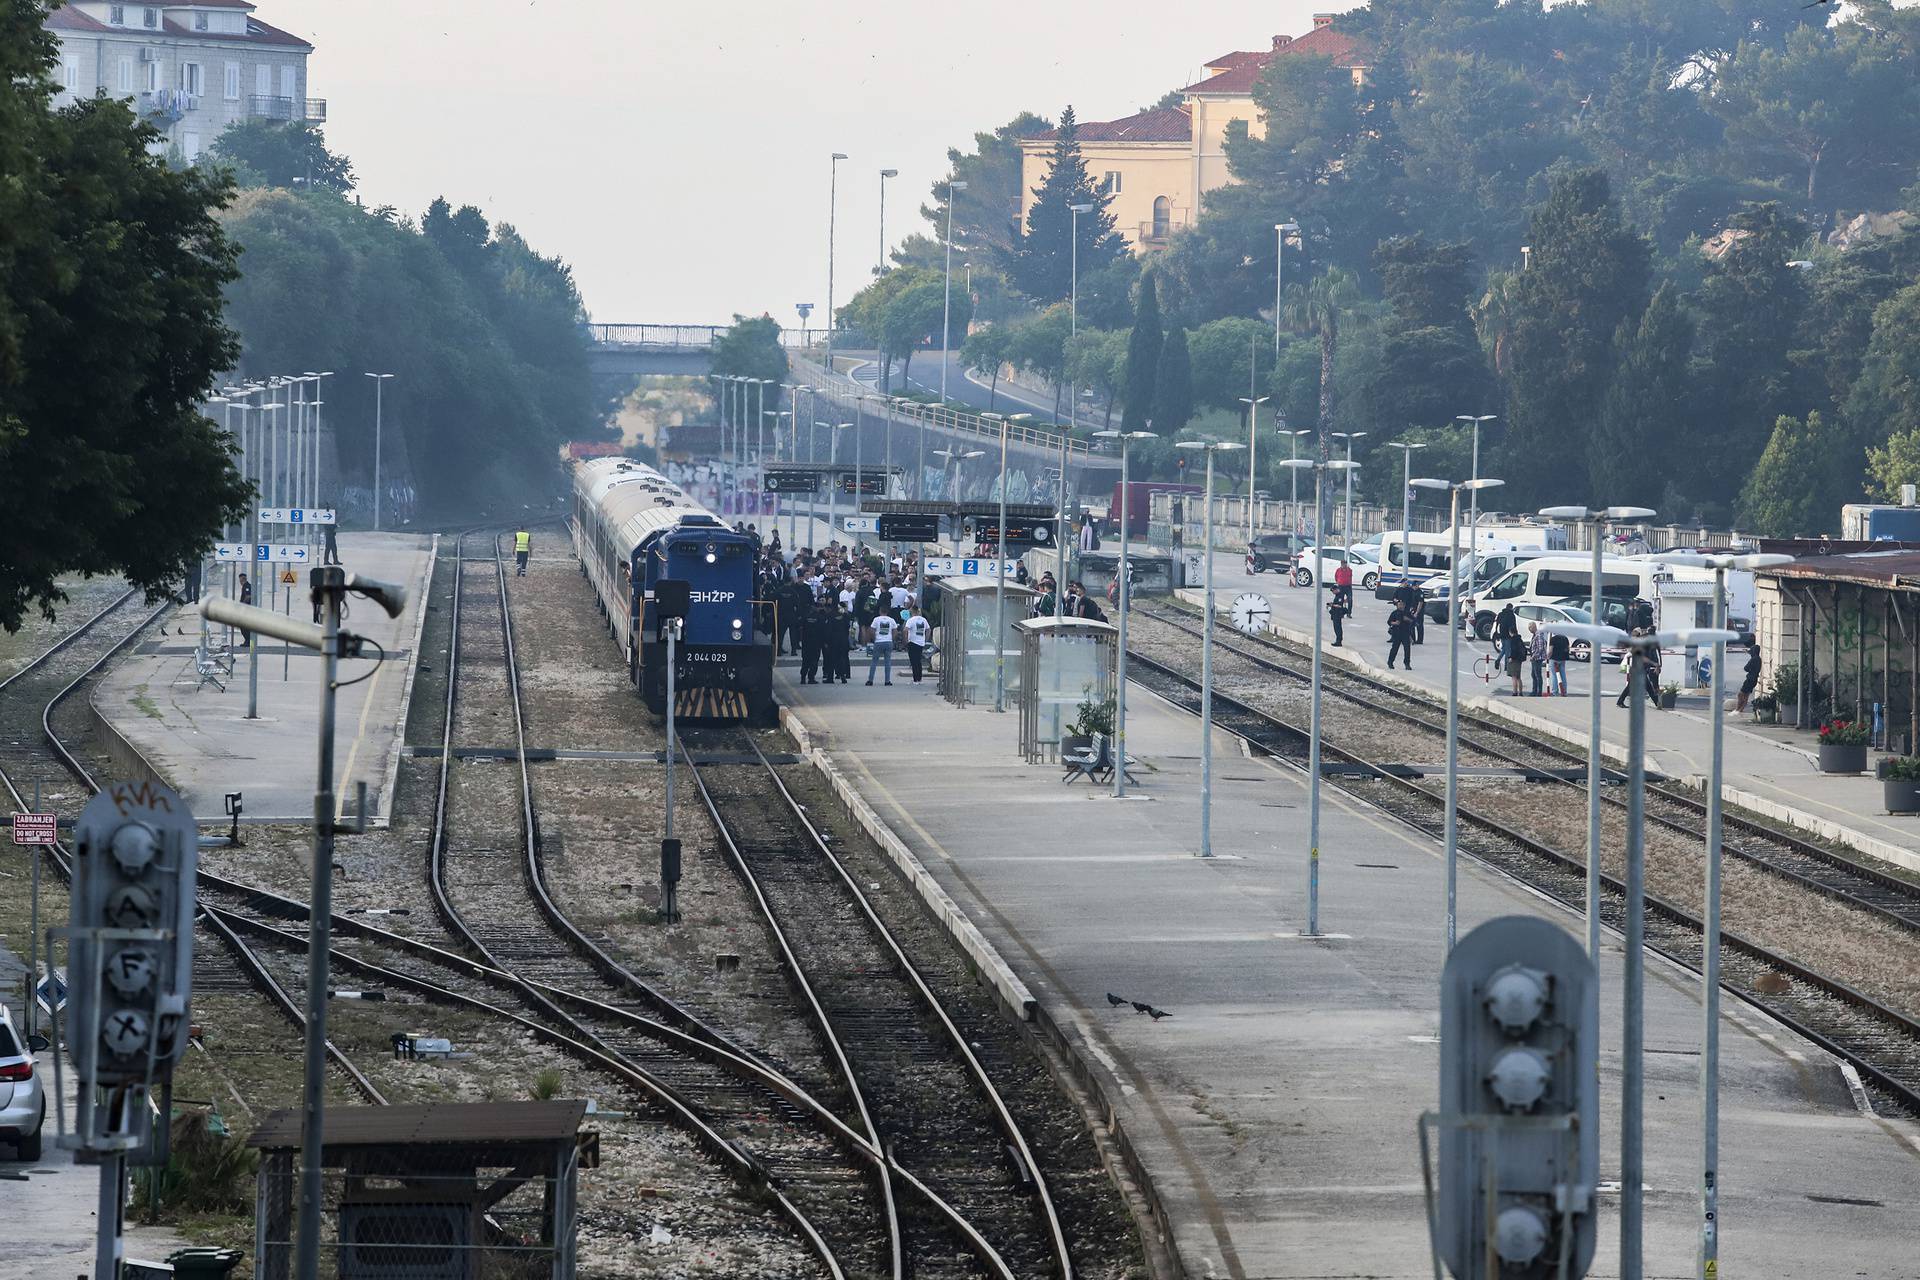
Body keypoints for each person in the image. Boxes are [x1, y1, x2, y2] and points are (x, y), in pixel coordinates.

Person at [824, 601, 853, 684]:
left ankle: (830, 678)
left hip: (833, 640)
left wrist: (826, 641)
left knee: (831, 659)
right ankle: (843, 677)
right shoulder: (844, 616)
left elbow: (828, 630)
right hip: (843, 639)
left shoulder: (830, 616)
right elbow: (847, 627)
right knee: (841, 658)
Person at [866, 610, 896, 685]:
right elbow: (895, 631)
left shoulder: (876, 619)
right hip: (888, 641)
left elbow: (871, 630)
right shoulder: (891, 620)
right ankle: (887, 681)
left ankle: (870, 680)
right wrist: (891, 639)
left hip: (878, 642)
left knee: (874, 661)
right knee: (888, 662)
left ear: (880, 611)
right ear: (887, 612)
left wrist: (875, 638)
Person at [1394, 580, 1426, 644]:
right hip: (1412, 610)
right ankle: (1413, 639)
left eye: (1415, 586)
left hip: (1419, 611)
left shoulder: (1420, 592)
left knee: (1419, 626)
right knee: (1411, 625)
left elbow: (1420, 603)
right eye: (1413, 586)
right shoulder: (1411, 591)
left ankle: (1420, 640)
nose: (1414, 587)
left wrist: (1417, 612)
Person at [904, 606, 931, 683]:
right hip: (921, 642)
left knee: (913, 661)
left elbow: (905, 630)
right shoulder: (923, 620)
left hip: (912, 642)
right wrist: (926, 639)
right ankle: (919, 678)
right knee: (918, 661)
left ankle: (915, 679)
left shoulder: (910, 620)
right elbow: (928, 629)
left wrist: (906, 641)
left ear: (912, 611)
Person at [1736, 642, 1763, 713]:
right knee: (1746, 695)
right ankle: (1741, 709)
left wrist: (1750, 669)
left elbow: (1746, 668)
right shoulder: (1759, 659)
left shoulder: (1753, 659)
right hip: (1754, 680)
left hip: (1750, 679)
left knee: (1741, 694)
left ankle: (1738, 708)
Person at [1387, 601, 1413, 670]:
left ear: (1404, 606)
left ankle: (1407, 663)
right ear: (1397, 606)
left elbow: (1413, 622)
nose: (1401, 606)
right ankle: (1390, 662)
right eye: (1399, 605)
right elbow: (1389, 622)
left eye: (1402, 605)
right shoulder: (1394, 613)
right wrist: (1395, 623)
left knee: (1407, 649)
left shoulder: (1407, 613)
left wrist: (1408, 619)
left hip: (1405, 633)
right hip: (1397, 633)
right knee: (1395, 648)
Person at [1548, 628, 1571, 697]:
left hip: (1554, 658)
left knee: (1554, 675)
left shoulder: (1553, 639)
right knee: (1563, 675)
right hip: (1562, 659)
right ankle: (1564, 691)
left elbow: (1551, 650)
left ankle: (1555, 691)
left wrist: (1548, 657)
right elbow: (1568, 648)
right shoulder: (1565, 638)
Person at [1527, 622, 1546, 696]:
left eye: (1530, 628)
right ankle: (1534, 690)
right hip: (1534, 658)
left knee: (1537, 675)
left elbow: (1540, 648)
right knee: (1533, 674)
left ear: (1533, 627)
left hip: (1538, 658)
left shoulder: (1538, 635)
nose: (1529, 630)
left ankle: (1538, 692)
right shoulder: (1535, 635)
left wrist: (1534, 656)